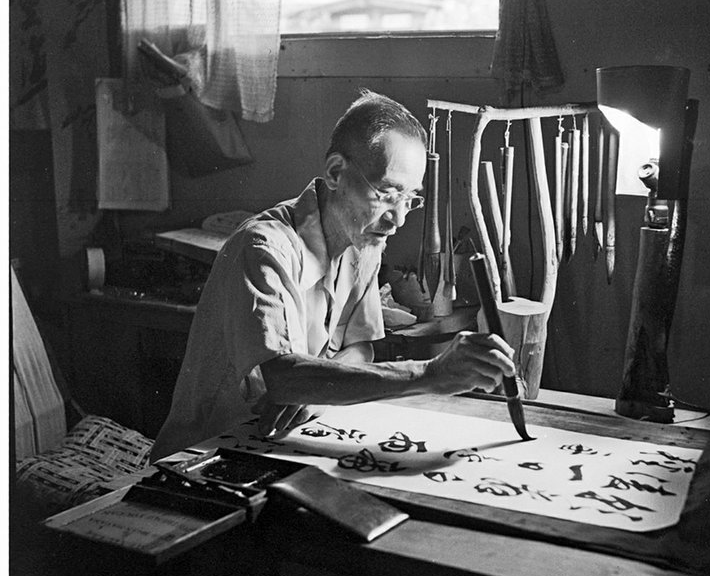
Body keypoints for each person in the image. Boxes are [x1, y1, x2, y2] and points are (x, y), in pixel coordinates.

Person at [150, 90, 516, 463]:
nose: (399, 219)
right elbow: (282, 377)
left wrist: (319, 394)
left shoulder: (363, 244)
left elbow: (362, 348)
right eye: (386, 194)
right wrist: (429, 374)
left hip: (281, 447)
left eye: (409, 198)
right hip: (204, 455)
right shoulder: (264, 248)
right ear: (336, 172)